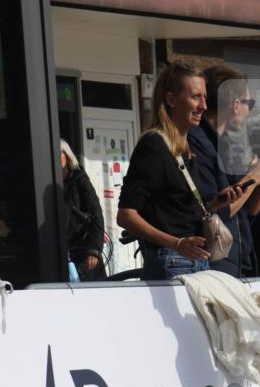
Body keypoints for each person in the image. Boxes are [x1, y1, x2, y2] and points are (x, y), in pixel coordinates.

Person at [117, 61, 242, 280]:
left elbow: (176, 213)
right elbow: (126, 215)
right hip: (172, 262)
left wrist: (214, 205)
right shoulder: (154, 145)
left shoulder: (185, 148)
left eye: (205, 97)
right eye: (196, 97)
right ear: (172, 100)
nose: (203, 105)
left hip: (195, 261)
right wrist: (177, 243)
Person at [189, 65, 260, 277]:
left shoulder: (230, 146)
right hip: (216, 267)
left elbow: (247, 213)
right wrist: (253, 177)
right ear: (236, 105)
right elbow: (218, 210)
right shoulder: (196, 144)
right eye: (250, 102)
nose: (250, 110)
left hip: (240, 261)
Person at [60, 139, 106, 281]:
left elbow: (96, 214)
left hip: (83, 253)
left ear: (67, 156)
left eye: (59, 153)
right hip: (66, 253)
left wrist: (93, 250)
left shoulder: (79, 179)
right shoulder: (52, 184)